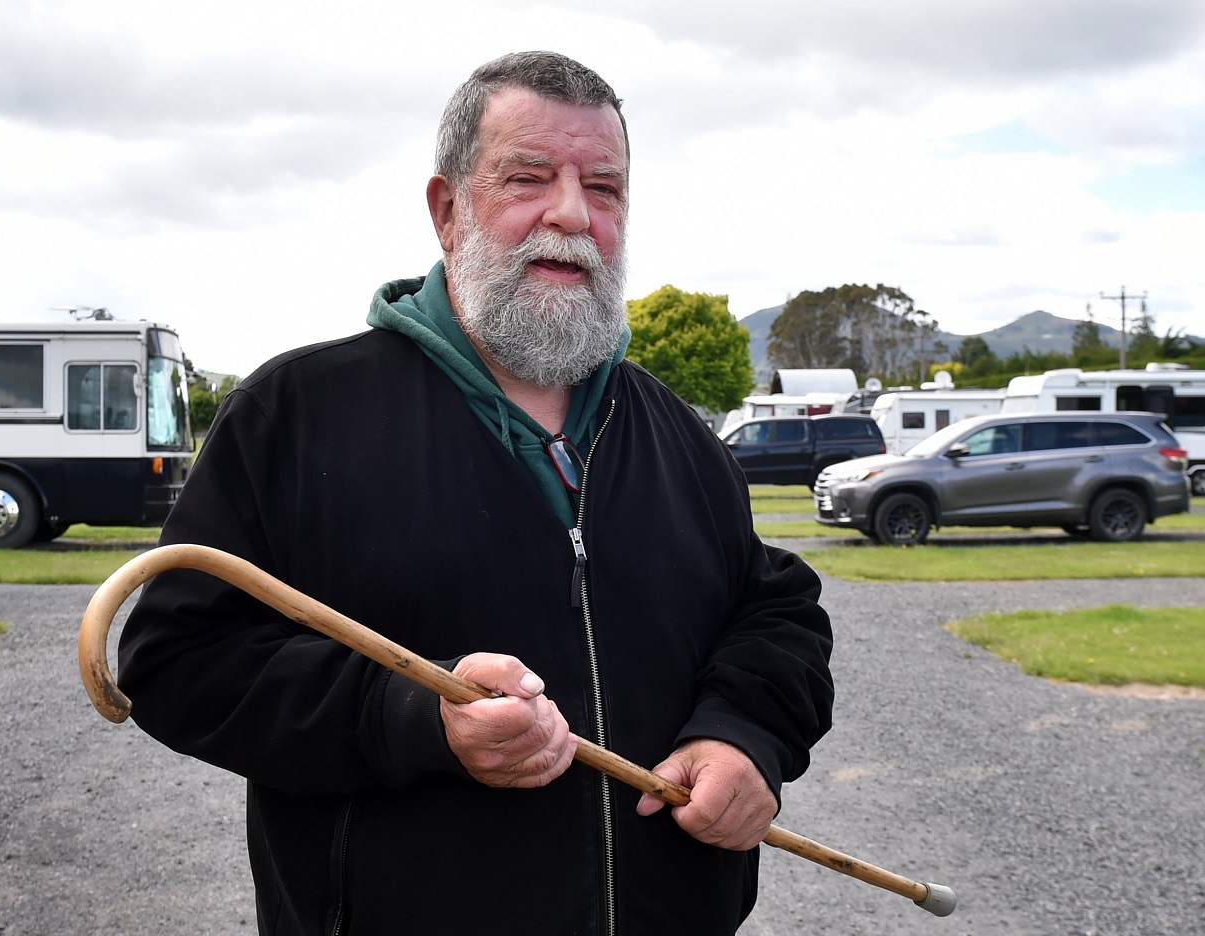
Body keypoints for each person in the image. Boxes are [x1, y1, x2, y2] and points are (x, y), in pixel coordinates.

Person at [117, 51, 834, 936]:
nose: (572, 214)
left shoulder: (679, 435)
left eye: (603, 188)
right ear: (448, 208)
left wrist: (743, 735)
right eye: (528, 177)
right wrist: (412, 717)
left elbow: (775, 614)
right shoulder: (295, 415)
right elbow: (175, 661)